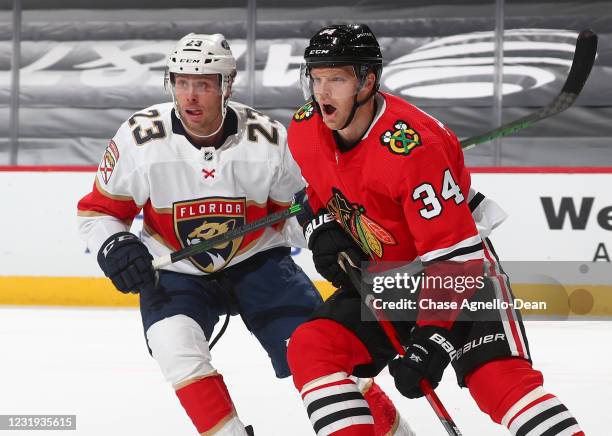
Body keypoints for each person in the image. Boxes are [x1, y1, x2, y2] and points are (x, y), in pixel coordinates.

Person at [77, 32, 411, 436]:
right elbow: (98, 212)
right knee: (175, 347)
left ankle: (393, 432)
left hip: (260, 264)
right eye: (182, 82)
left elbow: (302, 210)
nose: (190, 96)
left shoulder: (268, 139)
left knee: (321, 353)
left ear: (227, 85)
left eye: (203, 84)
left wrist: (322, 232)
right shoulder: (139, 137)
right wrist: (115, 245)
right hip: (176, 270)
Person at [286, 24, 584, 436]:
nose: (322, 92)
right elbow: (311, 189)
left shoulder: (414, 150)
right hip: (385, 279)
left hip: (457, 274)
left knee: (499, 385)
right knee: (312, 347)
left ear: (368, 81)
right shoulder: (305, 127)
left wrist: (431, 337)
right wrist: (320, 225)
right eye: (316, 78)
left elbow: (456, 258)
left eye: (337, 78)